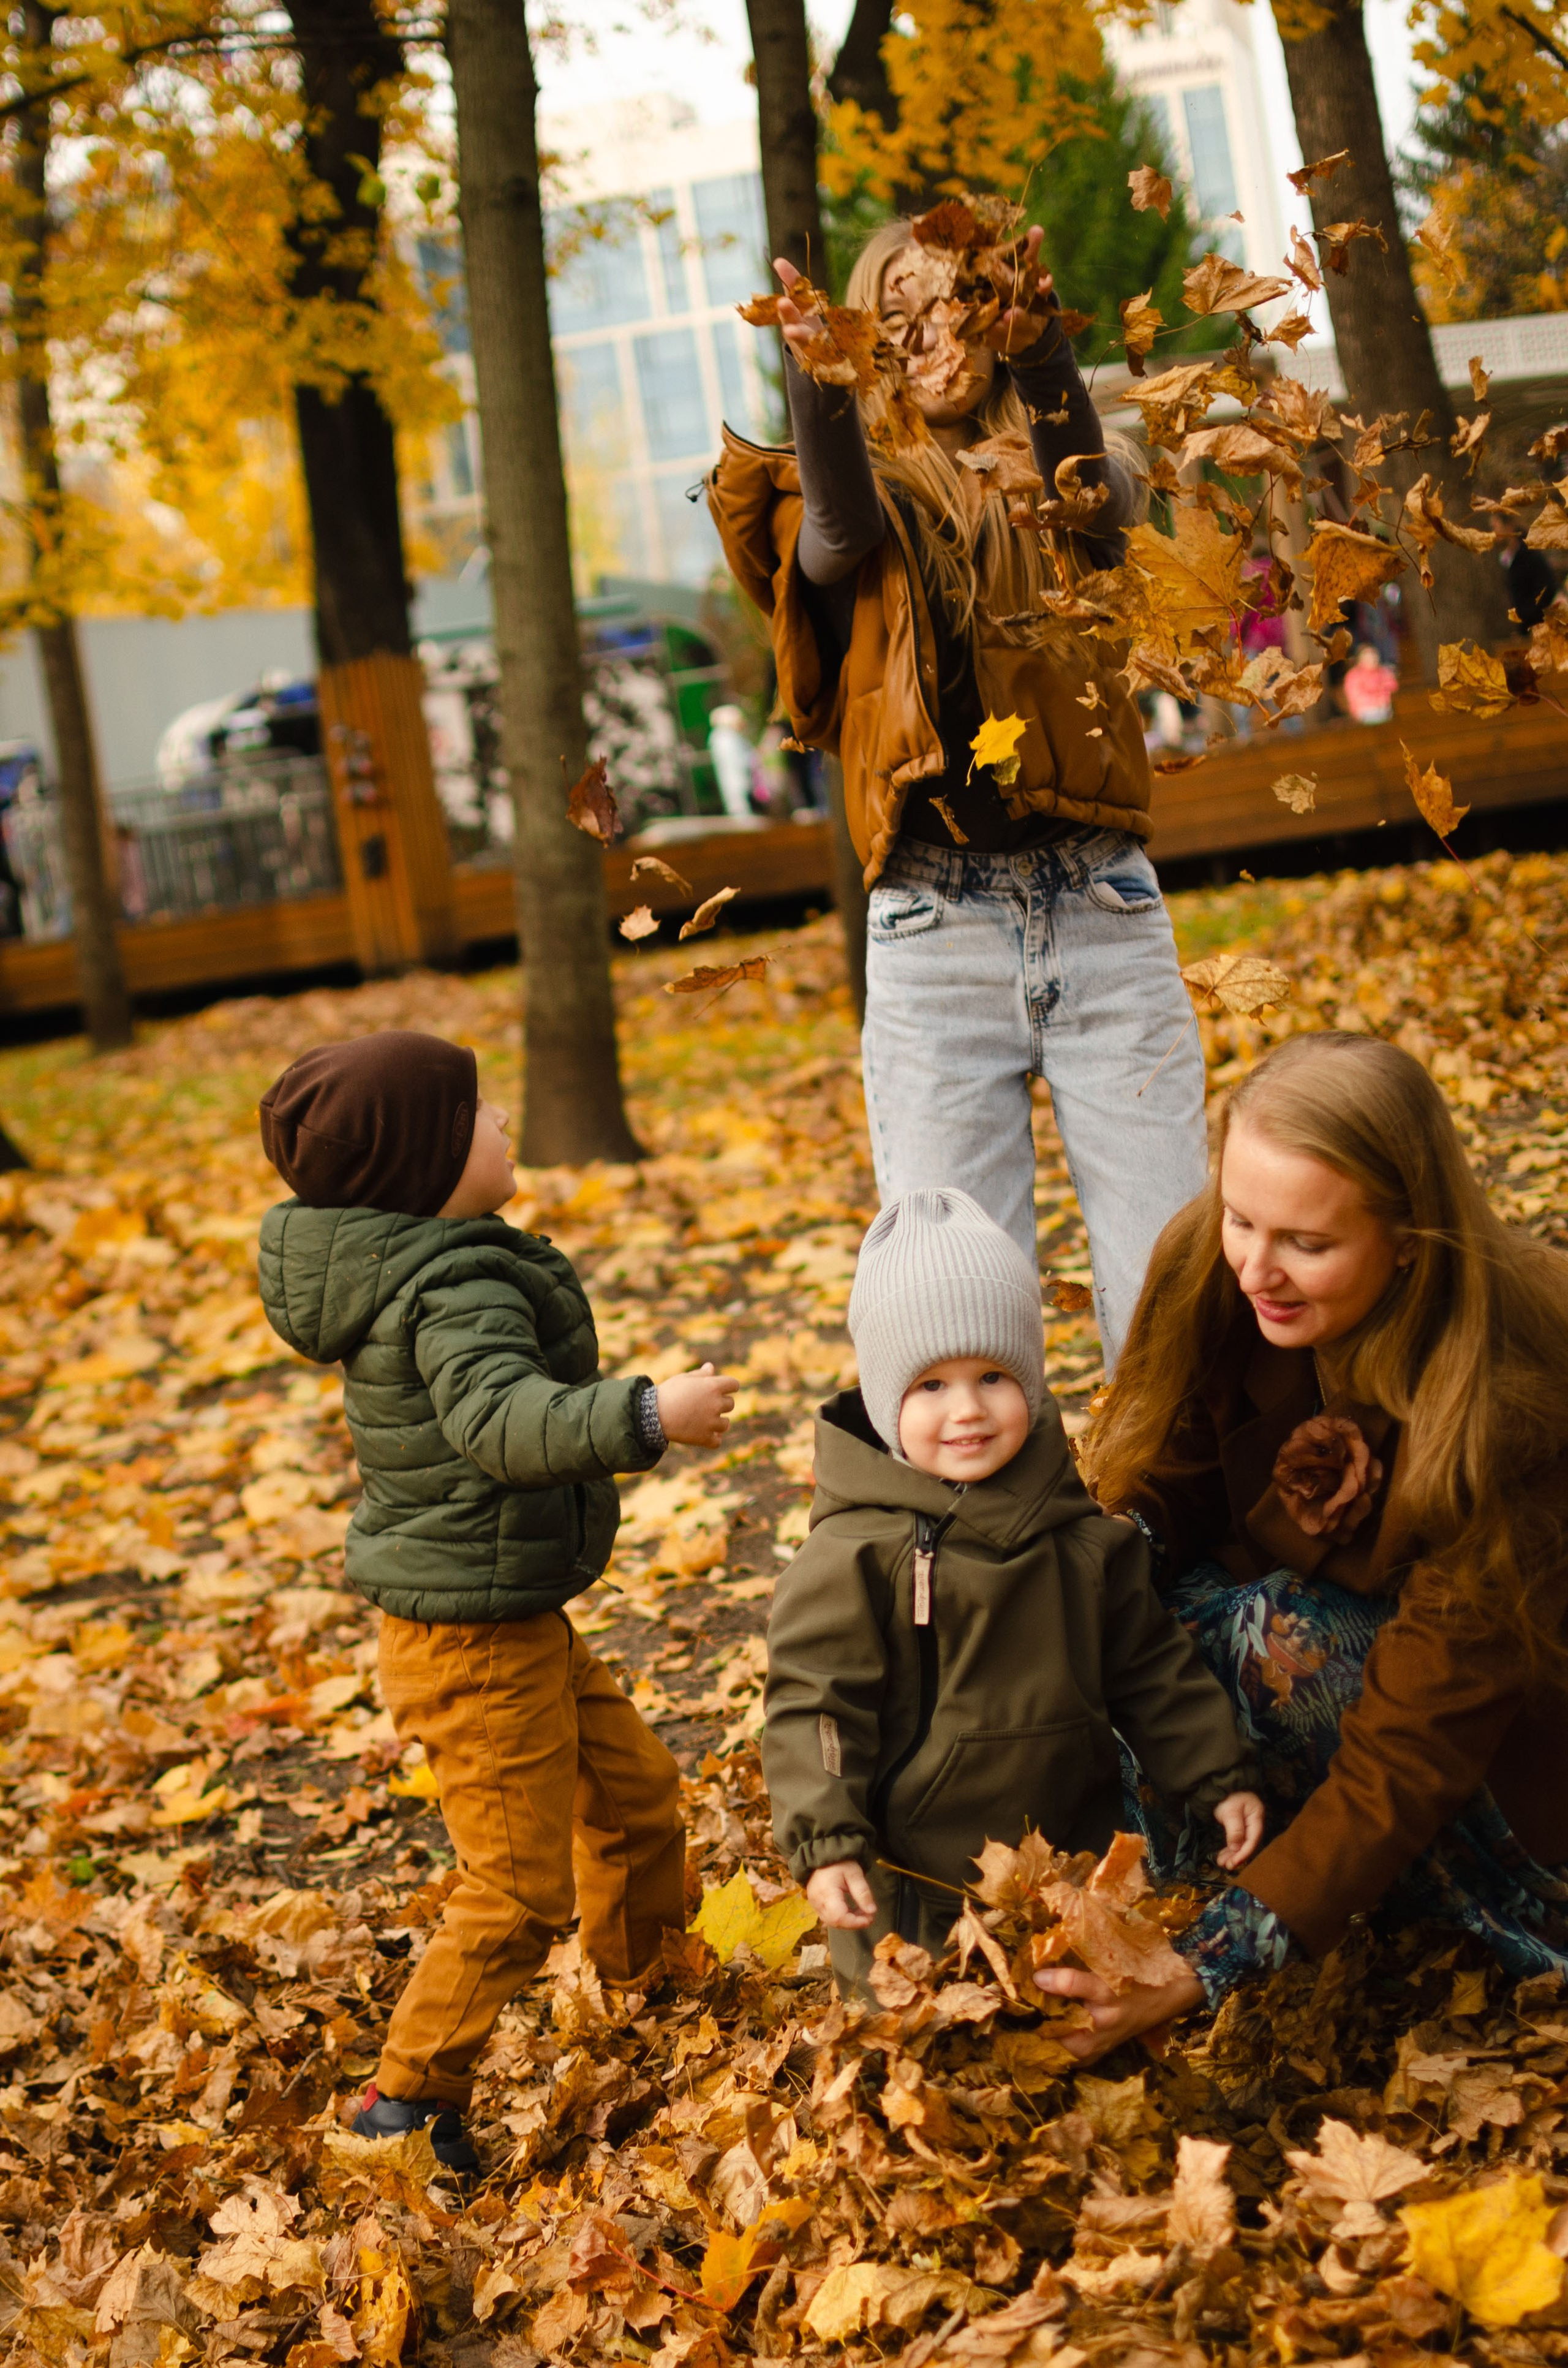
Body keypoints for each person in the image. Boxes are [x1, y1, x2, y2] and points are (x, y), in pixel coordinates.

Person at [708, 224, 1207, 1367]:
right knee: (956, 1308)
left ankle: (1173, 1486)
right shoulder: (838, 488)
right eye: (896, 320)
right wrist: (819, 378)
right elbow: (839, 534)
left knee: (1170, 1292)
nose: (932, 337)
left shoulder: (1084, 446)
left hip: (1102, 908)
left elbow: (1093, 500)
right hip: (935, 934)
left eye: (957, 305)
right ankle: (1003, 1501)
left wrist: (1044, 356)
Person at [255, 1031, 736, 2170]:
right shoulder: (452, 1287)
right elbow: (505, 1423)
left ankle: (645, 1990)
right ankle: (406, 2103)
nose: (505, 1120)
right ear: (424, 1161)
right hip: (473, 1647)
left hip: (505, 1616)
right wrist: (647, 1415)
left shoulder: (433, 1263)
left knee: (636, 1798)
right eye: (478, 1112)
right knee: (518, 1889)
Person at [1035, 1032, 1568, 2059]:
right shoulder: (1216, 1265)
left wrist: (1206, 1963)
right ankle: (1185, 1870)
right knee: (1113, 1606)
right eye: (1240, 1217)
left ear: (1407, 1239)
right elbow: (1179, 1470)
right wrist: (1101, 1564)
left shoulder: (1508, 1392)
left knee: (1273, 1637)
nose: (1256, 1268)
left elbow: (1417, 1741)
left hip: (1496, 1753)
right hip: (1327, 1660)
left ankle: (1327, 1911)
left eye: (1307, 1244)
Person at [762, 1187, 1262, 1994]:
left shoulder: (1080, 1539)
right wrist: (826, 1841)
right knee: (916, 2043)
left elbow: (1149, 1669)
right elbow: (816, 1707)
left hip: (1069, 1867)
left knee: (1071, 2033)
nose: (967, 1409)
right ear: (887, 1401)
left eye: (994, 1375)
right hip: (910, 1889)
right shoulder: (853, 1556)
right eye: (930, 1386)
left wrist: (1215, 1774)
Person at [1341, 641, 1398, 725]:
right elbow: (1357, 697)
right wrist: (1376, 702)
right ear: (1360, 659)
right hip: (1365, 711)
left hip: (1386, 707)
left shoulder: (1385, 672)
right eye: (1368, 656)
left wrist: (1383, 699)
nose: (1372, 658)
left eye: (1374, 655)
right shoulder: (1353, 676)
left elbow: (1392, 688)